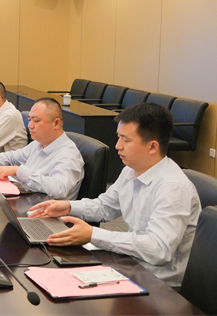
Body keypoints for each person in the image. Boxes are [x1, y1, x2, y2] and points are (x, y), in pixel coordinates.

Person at [29, 103, 200, 287]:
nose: (118, 146)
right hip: (131, 262)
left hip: (157, 283)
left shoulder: (173, 188)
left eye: (125, 140)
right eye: (118, 137)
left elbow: (158, 249)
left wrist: (93, 234)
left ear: (152, 147)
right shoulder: (131, 170)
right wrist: (69, 206)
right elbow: (105, 207)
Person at [0, 98, 84, 200]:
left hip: (49, 216)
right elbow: (11, 157)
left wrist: (19, 170)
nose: (30, 125)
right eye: (29, 120)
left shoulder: (68, 155)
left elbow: (59, 189)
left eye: (36, 121)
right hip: (28, 201)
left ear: (56, 123)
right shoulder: (38, 143)